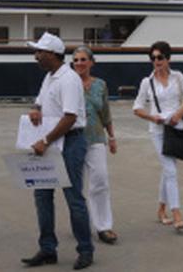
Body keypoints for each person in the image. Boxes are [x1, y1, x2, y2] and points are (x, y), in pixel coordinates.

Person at [21, 32, 94, 270]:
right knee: (42, 196)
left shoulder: (68, 79)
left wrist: (44, 140)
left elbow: (70, 117)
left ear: (52, 54)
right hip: (53, 140)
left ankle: (85, 250)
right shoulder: (50, 77)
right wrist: (35, 109)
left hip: (70, 141)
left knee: (73, 198)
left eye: (39, 52)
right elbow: (40, 102)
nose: (36, 56)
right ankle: (47, 248)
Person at [132, 41, 183, 232]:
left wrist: (178, 114)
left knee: (167, 169)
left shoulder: (178, 77)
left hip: (176, 129)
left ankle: (161, 210)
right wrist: (152, 117)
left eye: (160, 57)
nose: (156, 61)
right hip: (158, 131)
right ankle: (176, 212)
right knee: (170, 170)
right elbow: (136, 108)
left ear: (168, 58)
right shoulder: (147, 82)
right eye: (153, 58)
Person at [72, 46, 118, 244]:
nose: (80, 63)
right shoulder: (68, 83)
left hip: (96, 138)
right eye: (76, 60)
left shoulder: (101, 85)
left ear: (91, 62)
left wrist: (112, 137)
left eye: (83, 59)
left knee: (100, 181)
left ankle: (104, 226)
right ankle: (80, 224)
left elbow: (105, 113)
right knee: (75, 186)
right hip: (72, 139)